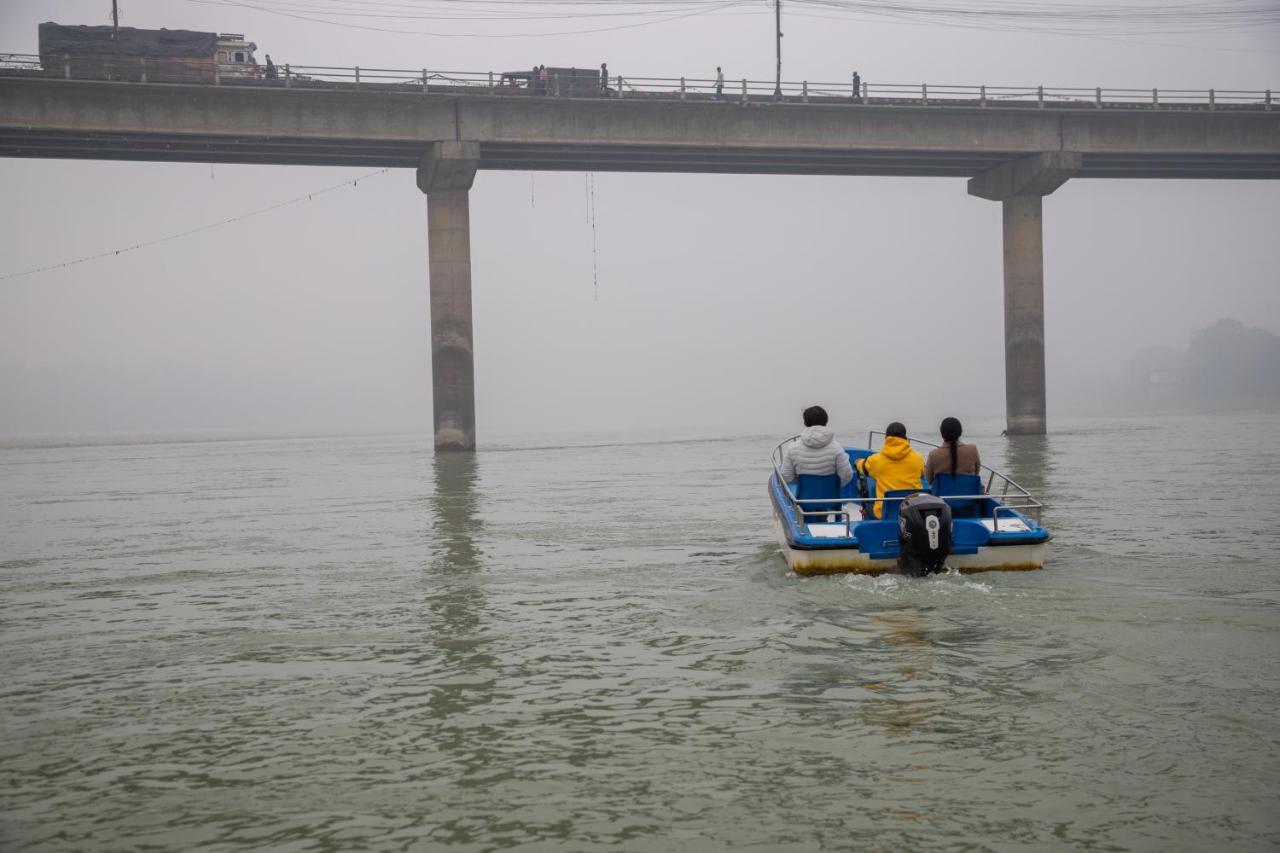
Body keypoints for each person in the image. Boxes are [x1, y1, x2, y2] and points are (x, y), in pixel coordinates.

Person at [780, 406, 855, 516]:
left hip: (804, 501)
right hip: (831, 500)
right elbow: (847, 475)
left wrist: (802, 483)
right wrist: (834, 485)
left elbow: (786, 476)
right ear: (826, 421)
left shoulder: (792, 448)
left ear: (805, 422)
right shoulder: (836, 448)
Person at [855, 422, 925, 519]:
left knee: (867, 507)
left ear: (886, 439)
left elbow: (862, 467)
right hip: (912, 512)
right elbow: (923, 475)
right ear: (905, 438)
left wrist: (858, 461)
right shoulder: (918, 458)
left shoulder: (876, 460)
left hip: (884, 513)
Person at [924, 417, 981, 482]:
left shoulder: (933, 455)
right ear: (960, 432)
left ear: (942, 434)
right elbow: (976, 474)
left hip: (943, 492)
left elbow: (928, 480)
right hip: (969, 492)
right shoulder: (972, 450)